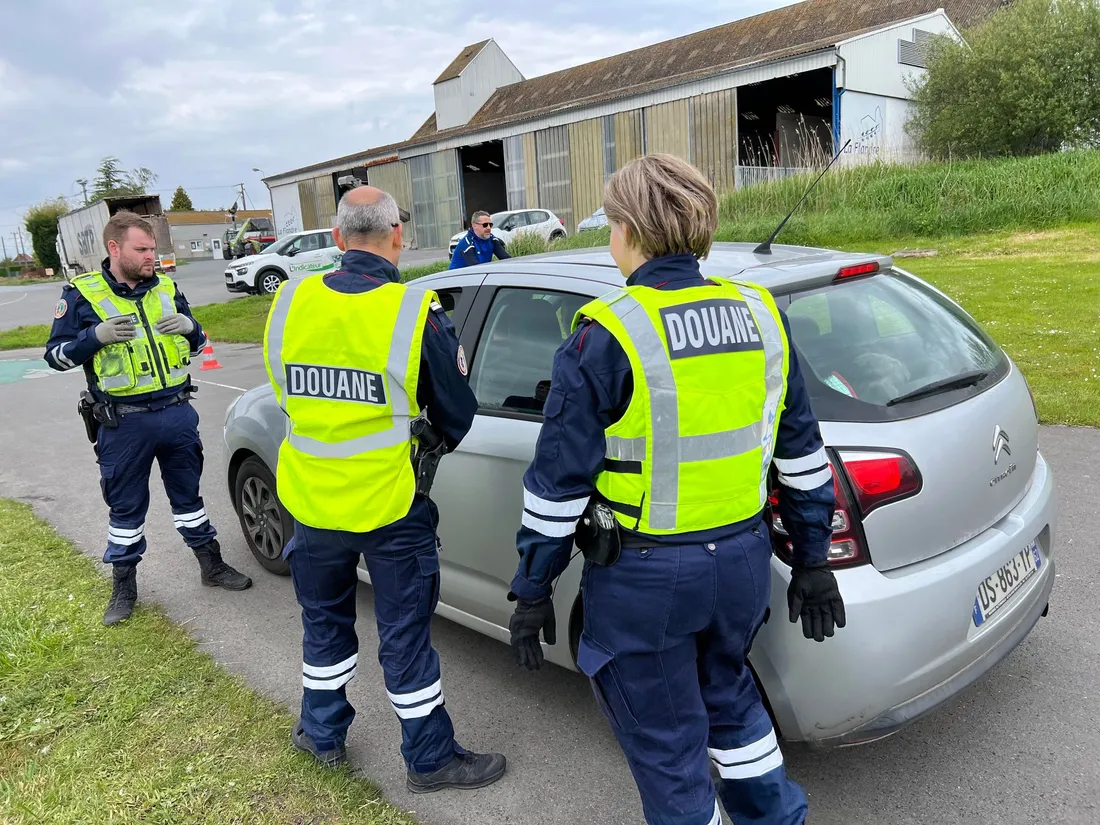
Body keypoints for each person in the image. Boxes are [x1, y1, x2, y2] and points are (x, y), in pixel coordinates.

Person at [506, 154, 846, 825]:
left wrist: (533, 585)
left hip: (647, 580)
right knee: (733, 702)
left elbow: (556, 488)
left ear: (631, 231)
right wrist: (812, 559)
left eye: (611, 225)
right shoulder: (761, 315)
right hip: (742, 563)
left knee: (667, 744)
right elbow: (803, 455)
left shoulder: (607, 333)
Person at [262, 185, 506, 792]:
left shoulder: (291, 300)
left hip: (311, 502)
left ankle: (321, 735)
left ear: (337, 237)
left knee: (324, 626)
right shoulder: (414, 312)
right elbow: (457, 414)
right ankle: (430, 760)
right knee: (404, 640)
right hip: (390, 505)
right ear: (398, 234)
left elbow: (285, 391)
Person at [43, 211, 252, 627]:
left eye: (152, 249)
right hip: (123, 423)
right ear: (114, 248)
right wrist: (93, 337)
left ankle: (211, 565)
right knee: (126, 509)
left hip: (176, 414)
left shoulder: (167, 288)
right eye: (141, 249)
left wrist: (191, 328)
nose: (150, 257)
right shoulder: (81, 294)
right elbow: (55, 357)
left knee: (189, 500)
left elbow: (198, 347)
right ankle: (124, 585)